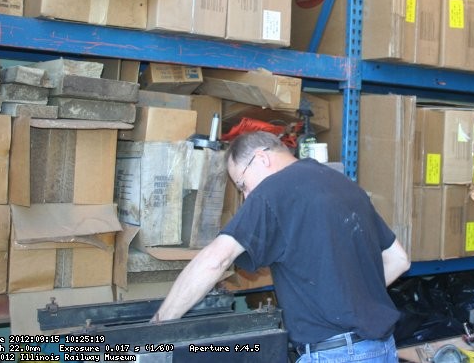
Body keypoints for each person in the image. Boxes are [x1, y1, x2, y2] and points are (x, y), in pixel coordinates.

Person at [151, 130, 411, 362]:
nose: (246, 196)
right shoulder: (344, 185)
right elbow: (399, 259)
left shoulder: (273, 191)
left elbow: (215, 260)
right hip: (381, 349)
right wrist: (346, 300)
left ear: (262, 159)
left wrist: (156, 329)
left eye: (242, 184)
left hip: (335, 354)